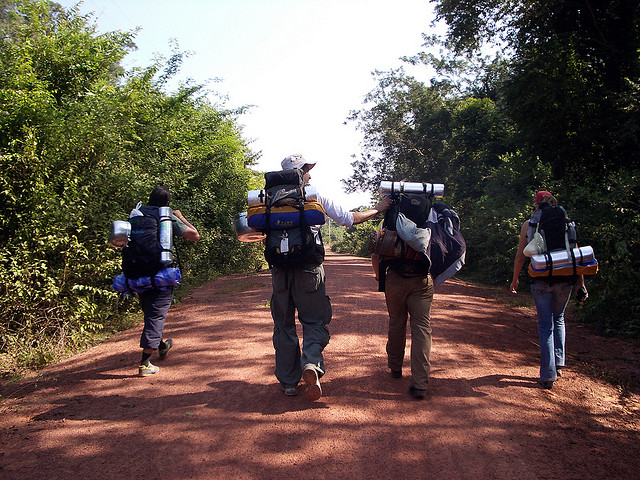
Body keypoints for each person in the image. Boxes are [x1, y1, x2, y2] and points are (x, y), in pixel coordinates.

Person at [271, 154, 391, 400]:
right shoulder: (315, 197)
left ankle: (289, 383)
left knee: (283, 326)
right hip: (310, 271)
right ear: (299, 172)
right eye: (307, 170)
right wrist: (378, 209)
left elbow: (251, 230)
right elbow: (350, 219)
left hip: (280, 273)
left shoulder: (267, 200)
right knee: (314, 321)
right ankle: (311, 364)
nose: (310, 174)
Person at [510, 190, 587, 389]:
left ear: (536, 206)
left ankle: (548, 374)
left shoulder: (530, 225)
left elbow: (521, 255)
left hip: (542, 279)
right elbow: (575, 254)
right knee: (558, 318)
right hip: (566, 279)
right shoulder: (567, 223)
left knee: (546, 325)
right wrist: (581, 284)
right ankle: (559, 362)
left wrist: (515, 279)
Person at [132, 186, 200, 377]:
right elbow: (194, 235)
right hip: (161, 274)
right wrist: (181, 217)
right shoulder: (167, 217)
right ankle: (145, 363)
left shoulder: (137, 214)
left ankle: (161, 346)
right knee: (156, 315)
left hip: (138, 273)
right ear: (167, 203)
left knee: (150, 312)